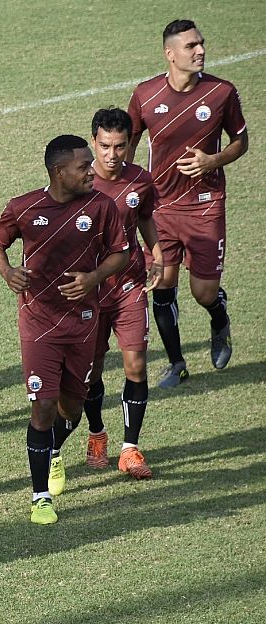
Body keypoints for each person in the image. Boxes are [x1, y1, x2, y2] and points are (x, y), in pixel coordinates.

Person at [0, 135, 128, 524]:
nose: (92, 172)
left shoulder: (102, 206)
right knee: (43, 406)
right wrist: (8, 271)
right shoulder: (25, 207)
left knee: (73, 410)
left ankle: (53, 451)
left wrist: (94, 277)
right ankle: (40, 496)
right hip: (38, 324)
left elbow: (122, 253)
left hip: (83, 323)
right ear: (58, 172)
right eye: (83, 166)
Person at [128, 19, 249, 387]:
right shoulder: (145, 95)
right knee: (161, 285)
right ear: (170, 53)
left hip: (204, 205)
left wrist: (213, 161)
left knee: (203, 291)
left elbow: (240, 141)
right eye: (191, 46)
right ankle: (177, 364)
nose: (200, 51)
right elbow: (128, 151)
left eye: (201, 44)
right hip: (160, 208)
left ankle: (218, 317)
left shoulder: (221, 93)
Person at [82, 107, 165, 480]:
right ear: (93, 143)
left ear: (130, 143)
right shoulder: (78, 183)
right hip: (88, 291)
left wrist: (156, 252)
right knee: (91, 371)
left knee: (135, 365)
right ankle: (96, 434)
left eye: (119, 146)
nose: (112, 155)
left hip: (129, 286)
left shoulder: (141, 181)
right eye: (104, 146)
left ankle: (129, 449)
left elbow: (145, 217)